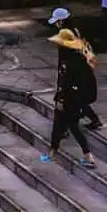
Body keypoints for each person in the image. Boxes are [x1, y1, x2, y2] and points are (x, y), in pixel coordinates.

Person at [41, 27, 98, 169]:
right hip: (78, 98)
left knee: (67, 125)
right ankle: (55, 150)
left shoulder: (67, 63)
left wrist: (60, 100)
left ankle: (84, 155)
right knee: (68, 125)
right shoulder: (80, 58)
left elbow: (64, 83)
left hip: (68, 99)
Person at [47, 8, 102, 128]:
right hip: (81, 67)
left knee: (69, 98)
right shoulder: (74, 30)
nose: (56, 25)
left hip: (75, 70)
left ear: (61, 21)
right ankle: (91, 119)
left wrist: (63, 71)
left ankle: (65, 126)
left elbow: (65, 55)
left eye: (57, 22)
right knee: (76, 98)